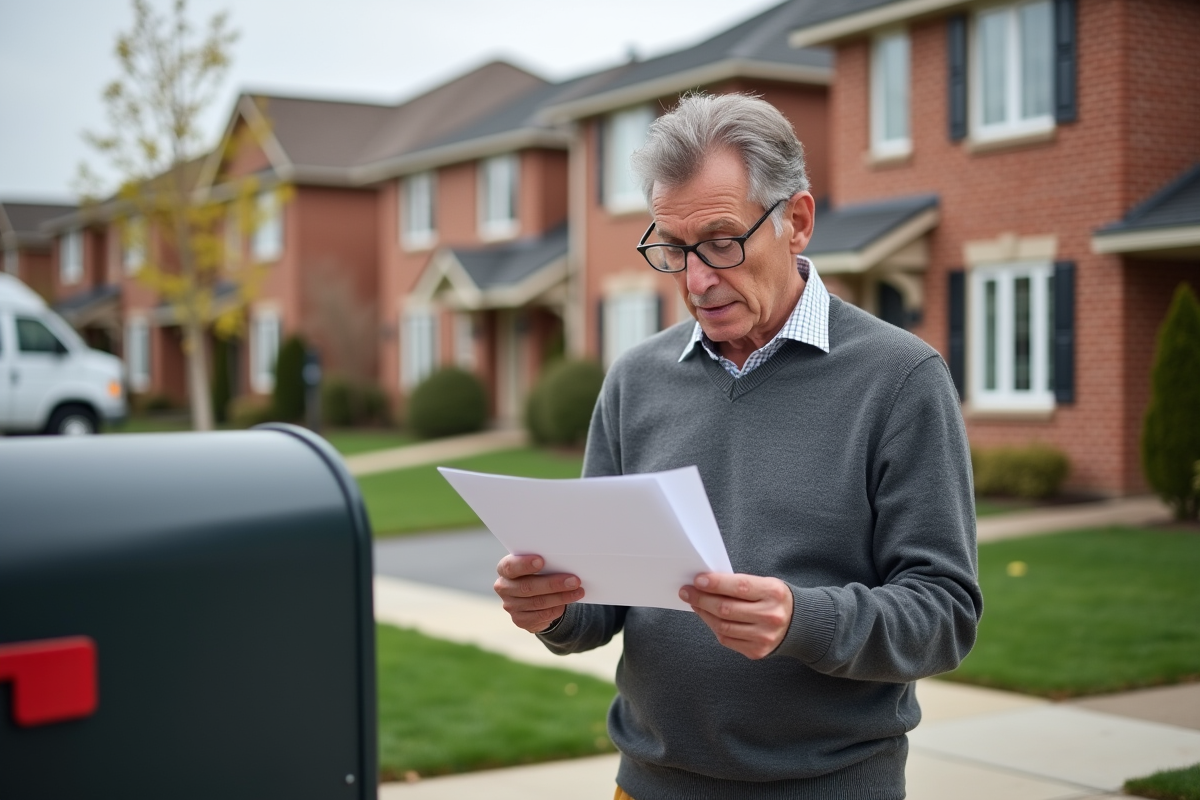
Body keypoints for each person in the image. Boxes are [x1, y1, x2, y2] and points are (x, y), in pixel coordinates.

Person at [494, 93, 982, 800]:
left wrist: (801, 618)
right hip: (649, 785)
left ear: (797, 222)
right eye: (674, 248)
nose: (696, 280)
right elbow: (597, 606)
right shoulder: (636, 380)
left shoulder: (900, 380)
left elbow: (943, 616)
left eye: (722, 242)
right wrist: (552, 606)